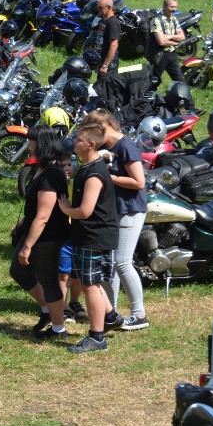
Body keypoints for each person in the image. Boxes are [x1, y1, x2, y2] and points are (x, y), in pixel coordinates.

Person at [57, 121, 121, 353]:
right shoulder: (86, 166)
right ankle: (111, 316)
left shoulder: (94, 173)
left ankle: (97, 338)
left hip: (95, 236)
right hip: (88, 236)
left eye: (79, 140)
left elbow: (85, 211)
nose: (74, 142)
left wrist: (66, 209)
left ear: (91, 144)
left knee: (90, 285)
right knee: (90, 283)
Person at [87, 109, 149, 331]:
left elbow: (139, 182)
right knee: (111, 264)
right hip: (115, 211)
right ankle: (110, 313)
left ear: (103, 128)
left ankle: (139, 315)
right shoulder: (107, 147)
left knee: (123, 262)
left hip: (131, 210)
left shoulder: (126, 147)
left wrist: (108, 177)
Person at [9, 125, 70, 340]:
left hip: (47, 236)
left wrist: (27, 246)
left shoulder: (52, 173)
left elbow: (44, 215)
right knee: (18, 270)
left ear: (41, 143)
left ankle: (58, 328)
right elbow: (36, 207)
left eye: (31, 141)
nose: (29, 145)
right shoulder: (41, 168)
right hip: (34, 230)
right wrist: (23, 222)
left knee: (48, 280)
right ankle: (47, 311)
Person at [55, 153, 86, 323]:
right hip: (63, 236)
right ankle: (62, 307)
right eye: (62, 166)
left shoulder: (76, 185)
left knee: (78, 274)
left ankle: (74, 301)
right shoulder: (54, 187)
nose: (67, 169)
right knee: (64, 274)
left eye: (69, 165)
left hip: (78, 234)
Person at [146, 0, 186, 84]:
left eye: (175, 7)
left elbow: (182, 37)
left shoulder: (173, 19)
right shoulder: (156, 20)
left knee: (181, 82)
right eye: (171, 7)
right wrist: (176, 42)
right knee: (153, 83)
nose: (174, 9)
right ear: (164, 6)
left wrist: (168, 36)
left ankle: (181, 93)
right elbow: (161, 42)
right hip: (159, 55)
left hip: (172, 54)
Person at [93, 0, 120, 78]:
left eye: (100, 8)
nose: (98, 10)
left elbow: (114, 44)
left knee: (106, 85)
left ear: (108, 7)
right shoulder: (103, 20)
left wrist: (105, 65)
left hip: (109, 63)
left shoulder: (112, 23)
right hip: (102, 60)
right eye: (98, 7)